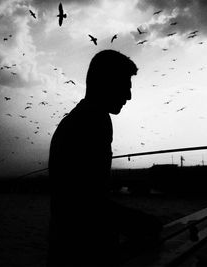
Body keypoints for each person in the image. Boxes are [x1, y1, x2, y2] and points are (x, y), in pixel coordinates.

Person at [47, 50, 162, 266]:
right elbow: (85, 205)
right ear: (105, 83)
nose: (128, 97)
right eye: (125, 87)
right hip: (79, 254)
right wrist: (140, 221)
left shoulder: (85, 118)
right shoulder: (93, 122)